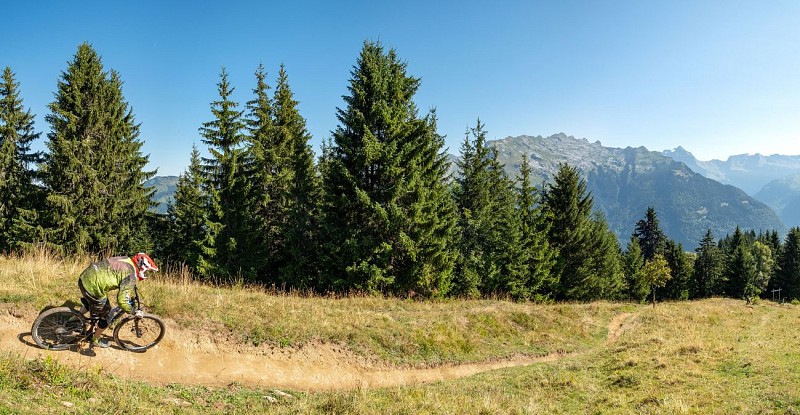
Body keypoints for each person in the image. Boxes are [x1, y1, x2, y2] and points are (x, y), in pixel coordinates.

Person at [77, 253, 159, 348]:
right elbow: (122, 301)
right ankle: (95, 339)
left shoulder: (126, 259)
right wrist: (133, 311)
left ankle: (74, 319)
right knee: (107, 314)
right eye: (147, 271)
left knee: (91, 302)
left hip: (85, 276)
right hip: (93, 286)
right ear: (142, 267)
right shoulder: (131, 276)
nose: (146, 273)